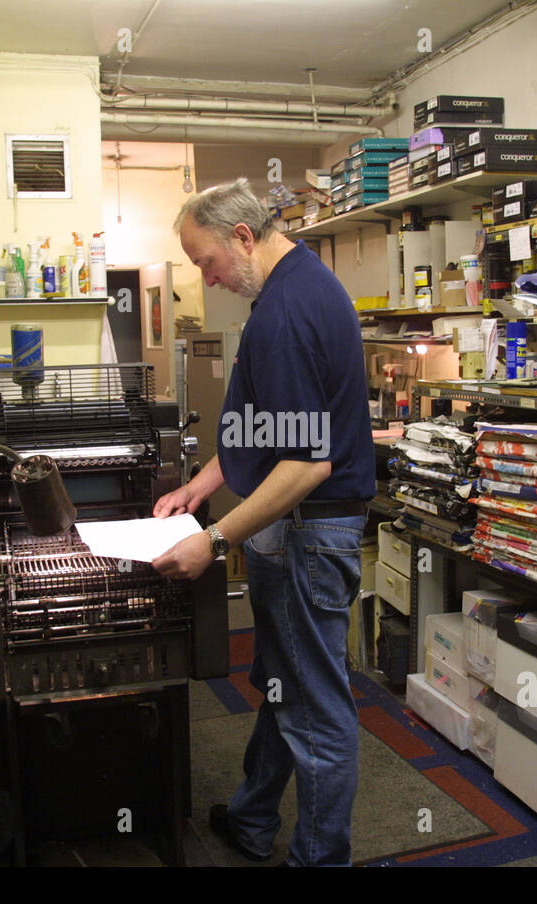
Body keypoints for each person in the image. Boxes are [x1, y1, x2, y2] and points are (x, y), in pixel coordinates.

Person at [150, 178, 375, 867]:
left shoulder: (285, 314)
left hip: (310, 530)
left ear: (242, 237)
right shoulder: (296, 285)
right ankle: (251, 820)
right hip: (302, 529)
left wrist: (214, 539)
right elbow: (264, 429)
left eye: (205, 261)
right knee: (287, 683)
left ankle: (318, 859)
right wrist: (200, 486)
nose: (206, 279)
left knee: (315, 709)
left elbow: (306, 464)